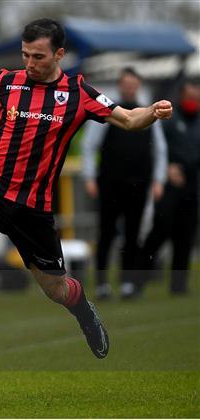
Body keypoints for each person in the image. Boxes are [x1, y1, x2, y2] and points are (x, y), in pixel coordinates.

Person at [0, 18, 172, 359]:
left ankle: (84, 312)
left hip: (32, 210)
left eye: (38, 57)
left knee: (56, 289)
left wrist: (153, 111)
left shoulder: (79, 93)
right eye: (25, 55)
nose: (30, 64)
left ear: (59, 54)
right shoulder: (7, 82)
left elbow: (128, 118)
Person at [82, 67, 167, 300]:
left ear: (137, 86)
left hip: (139, 183)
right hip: (110, 182)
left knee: (132, 234)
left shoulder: (151, 113)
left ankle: (128, 282)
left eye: (133, 83)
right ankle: (101, 284)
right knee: (106, 232)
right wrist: (89, 176)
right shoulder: (109, 110)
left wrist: (159, 179)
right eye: (126, 83)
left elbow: (160, 149)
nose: (130, 87)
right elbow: (89, 146)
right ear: (121, 85)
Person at [139, 81, 200, 295]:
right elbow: (154, 146)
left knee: (185, 236)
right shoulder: (169, 119)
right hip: (169, 185)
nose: (193, 101)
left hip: (192, 185)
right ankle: (137, 280)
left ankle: (179, 286)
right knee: (159, 231)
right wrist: (166, 169)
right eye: (190, 96)